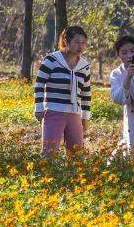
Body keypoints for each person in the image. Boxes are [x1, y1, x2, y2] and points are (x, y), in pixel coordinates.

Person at [34, 26, 91, 155]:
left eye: (83, 43)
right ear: (66, 41)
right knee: (49, 151)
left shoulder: (84, 66)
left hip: (75, 114)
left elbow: (86, 93)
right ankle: (48, 174)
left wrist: (85, 117)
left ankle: (73, 175)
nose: (80, 46)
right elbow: (39, 84)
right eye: (77, 42)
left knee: (76, 153)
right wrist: (39, 107)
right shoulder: (52, 60)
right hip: (54, 111)